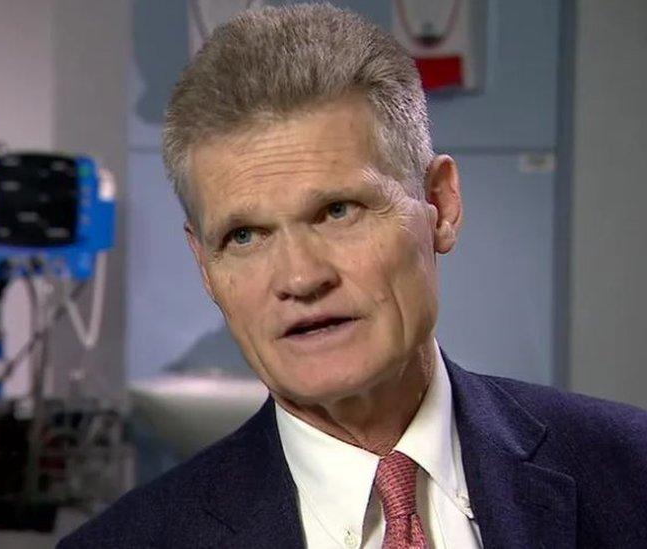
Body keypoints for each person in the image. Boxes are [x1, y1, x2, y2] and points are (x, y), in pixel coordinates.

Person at [60, 4, 647, 548]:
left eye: (338, 211)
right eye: (244, 236)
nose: (300, 277)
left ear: (439, 205)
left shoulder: (631, 472)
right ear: (205, 268)